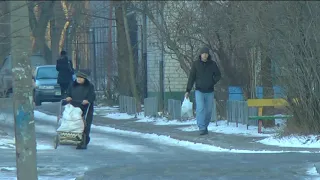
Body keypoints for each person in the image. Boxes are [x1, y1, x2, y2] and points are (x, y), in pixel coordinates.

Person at [185, 47, 221, 135]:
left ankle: (205, 126)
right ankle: (202, 128)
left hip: (210, 91)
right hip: (199, 91)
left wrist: (212, 81)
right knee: (200, 109)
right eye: (203, 53)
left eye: (206, 53)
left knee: (208, 111)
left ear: (208, 55)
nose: (205, 55)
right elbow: (191, 77)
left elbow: (218, 75)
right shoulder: (196, 64)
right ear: (200, 55)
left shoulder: (212, 64)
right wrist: (188, 90)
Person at [65, 71, 96, 149]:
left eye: (81, 78)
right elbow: (67, 93)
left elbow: (92, 96)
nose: (79, 79)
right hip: (74, 107)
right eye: (77, 77)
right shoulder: (72, 85)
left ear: (84, 78)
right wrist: (68, 97)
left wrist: (88, 100)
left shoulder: (89, 86)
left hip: (86, 108)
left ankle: (84, 141)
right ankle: (76, 139)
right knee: (74, 124)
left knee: (85, 125)